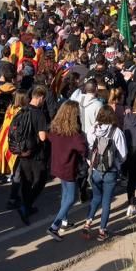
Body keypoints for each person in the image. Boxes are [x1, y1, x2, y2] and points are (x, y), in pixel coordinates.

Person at [82, 106, 127, 241]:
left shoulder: (93, 129)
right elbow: (123, 154)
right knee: (106, 201)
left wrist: (91, 164)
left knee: (96, 198)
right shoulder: (116, 132)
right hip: (110, 171)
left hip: (96, 170)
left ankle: (87, 223)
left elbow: (89, 149)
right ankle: (102, 230)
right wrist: (117, 164)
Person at [46, 100, 86, 240]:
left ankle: (64, 221)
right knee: (71, 198)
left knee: (65, 194)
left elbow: (49, 138)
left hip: (57, 165)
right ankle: (54, 226)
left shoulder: (55, 128)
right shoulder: (74, 134)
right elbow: (82, 148)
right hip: (69, 167)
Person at [13, 86, 50, 226]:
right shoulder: (39, 114)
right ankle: (25, 206)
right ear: (40, 97)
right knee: (40, 180)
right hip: (36, 153)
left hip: (23, 151)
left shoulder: (22, 110)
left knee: (26, 180)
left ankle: (26, 205)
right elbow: (42, 137)